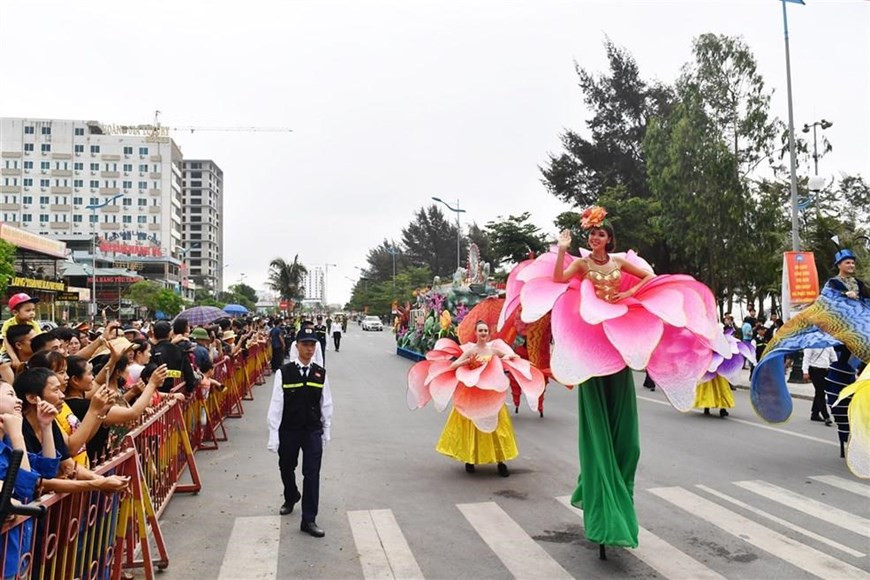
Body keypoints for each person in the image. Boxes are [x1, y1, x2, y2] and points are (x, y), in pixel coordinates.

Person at [501, 205, 722, 558]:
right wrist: (561, 249)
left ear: (610, 238)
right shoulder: (582, 265)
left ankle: (608, 494)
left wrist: (628, 297)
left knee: (628, 443)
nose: (595, 238)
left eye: (600, 234)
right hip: (591, 349)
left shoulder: (618, 263)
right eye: (592, 234)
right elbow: (559, 280)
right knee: (598, 437)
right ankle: (606, 515)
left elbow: (649, 278)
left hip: (617, 348)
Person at [267, 328, 333, 538]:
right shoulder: (284, 373)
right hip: (290, 429)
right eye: (305, 344)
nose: (309, 349)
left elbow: (326, 404)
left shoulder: (320, 373)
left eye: (312, 344)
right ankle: (291, 495)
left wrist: (326, 431)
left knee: (312, 473)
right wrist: (273, 434)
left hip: (312, 430)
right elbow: (277, 404)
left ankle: (309, 519)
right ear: (297, 347)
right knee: (286, 465)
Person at [0, 379, 60, 579]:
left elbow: (47, 470)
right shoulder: (12, 438)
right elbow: (26, 488)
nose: (18, 401)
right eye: (10, 395)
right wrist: (17, 434)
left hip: (20, 545)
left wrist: (46, 427)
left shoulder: (7, 442)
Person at [150, 321, 197, 393]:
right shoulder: (179, 350)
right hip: (178, 390)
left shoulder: (152, 352)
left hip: (159, 393)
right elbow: (188, 373)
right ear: (169, 334)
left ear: (154, 334)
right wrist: (189, 390)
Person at [802, 346, 837, 426]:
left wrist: (835, 369)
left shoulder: (829, 345)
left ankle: (815, 413)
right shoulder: (811, 344)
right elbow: (806, 359)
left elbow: (834, 358)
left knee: (819, 392)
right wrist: (805, 372)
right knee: (821, 392)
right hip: (815, 370)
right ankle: (826, 416)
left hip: (826, 371)